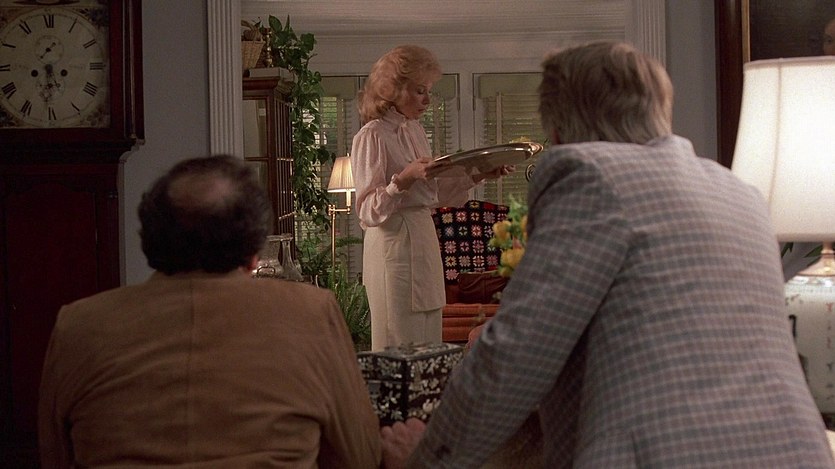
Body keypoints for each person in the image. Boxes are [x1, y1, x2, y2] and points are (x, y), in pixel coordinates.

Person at [380, 41, 834, 468]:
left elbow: (517, 355)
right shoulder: (739, 194)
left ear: (559, 130)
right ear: (659, 110)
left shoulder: (589, 175)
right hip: (799, 452)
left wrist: (428, 457)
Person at [38, 156, 381, 468]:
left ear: (150, 240)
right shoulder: (312, 312)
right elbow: (358, 457)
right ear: (254, 251)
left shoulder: (78, 324)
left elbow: (55, 457)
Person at [351, 45, 511, 351]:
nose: (427, 100)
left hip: (423, 236)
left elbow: (432, 194)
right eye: (419, 91)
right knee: (399, 340)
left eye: (429, 91)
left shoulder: (415, 132)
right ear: (393, 90)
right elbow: (367, 212)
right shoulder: (371, 136)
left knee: (429, 339)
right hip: (393, 244)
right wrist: (403, 179)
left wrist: (479, 174)